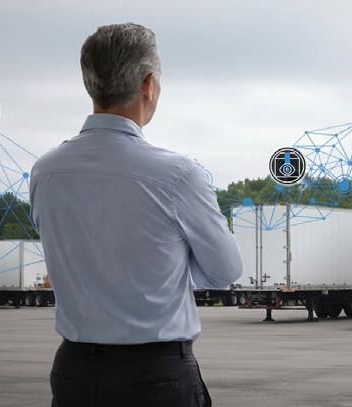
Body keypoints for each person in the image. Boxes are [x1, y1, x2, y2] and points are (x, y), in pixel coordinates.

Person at [29, 23, 243, 407]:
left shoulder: (45, 172)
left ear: (90, 83)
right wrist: (171, 266)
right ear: (148, 85)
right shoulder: (178, 175)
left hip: (74, 372)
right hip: (155, 376)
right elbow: (226, 270)